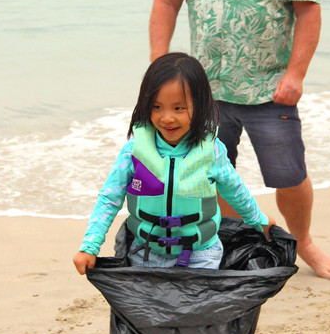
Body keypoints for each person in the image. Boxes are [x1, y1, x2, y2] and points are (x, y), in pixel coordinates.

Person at [149, 0, 330, 279]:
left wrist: (296, 75)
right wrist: (160, 66)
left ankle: (304, 242)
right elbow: (166, 1)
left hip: (270, 88)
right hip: (206, 91)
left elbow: (307, 12)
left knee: (289, 176)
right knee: (212, 177)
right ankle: (233, 243)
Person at [73, 52, 276, 275]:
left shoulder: (211, 152)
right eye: (157, 107)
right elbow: (110, 198)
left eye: (179, 108)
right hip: (145, 254)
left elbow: (235, 191)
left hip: (201, 255)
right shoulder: (135, 151)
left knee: (196, 310)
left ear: (199, 105)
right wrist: (89, 246)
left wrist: (259, 221)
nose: (167, 118)